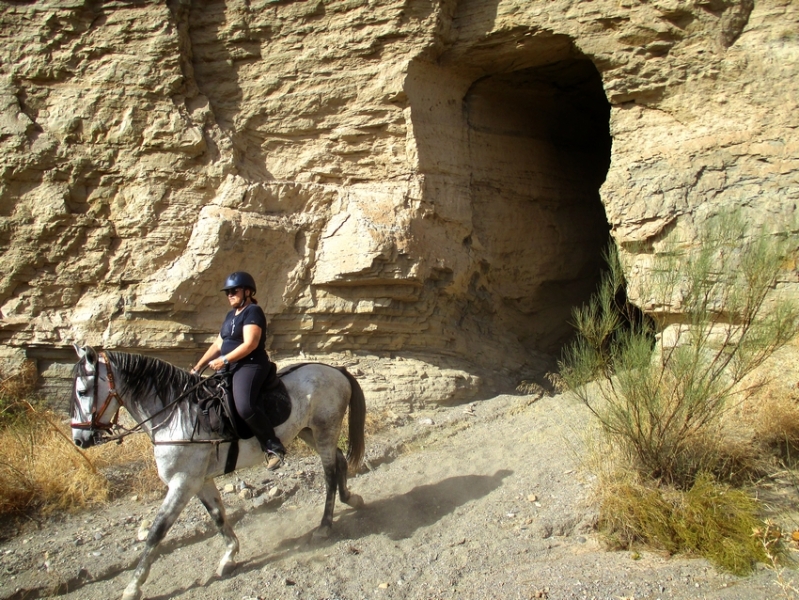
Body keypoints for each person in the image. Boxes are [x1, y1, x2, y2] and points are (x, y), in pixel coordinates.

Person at [191, 271, 286, 470]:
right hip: (230, 366)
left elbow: (251, 344)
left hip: (250, 364)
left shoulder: (253, 311)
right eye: (228, 292)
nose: (230, 295)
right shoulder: (229, 315)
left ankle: (272, 446)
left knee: (245, 406)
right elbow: (218, 343)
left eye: (234, 291)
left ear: (248, 292)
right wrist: (198, 366)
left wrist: (224, 359)